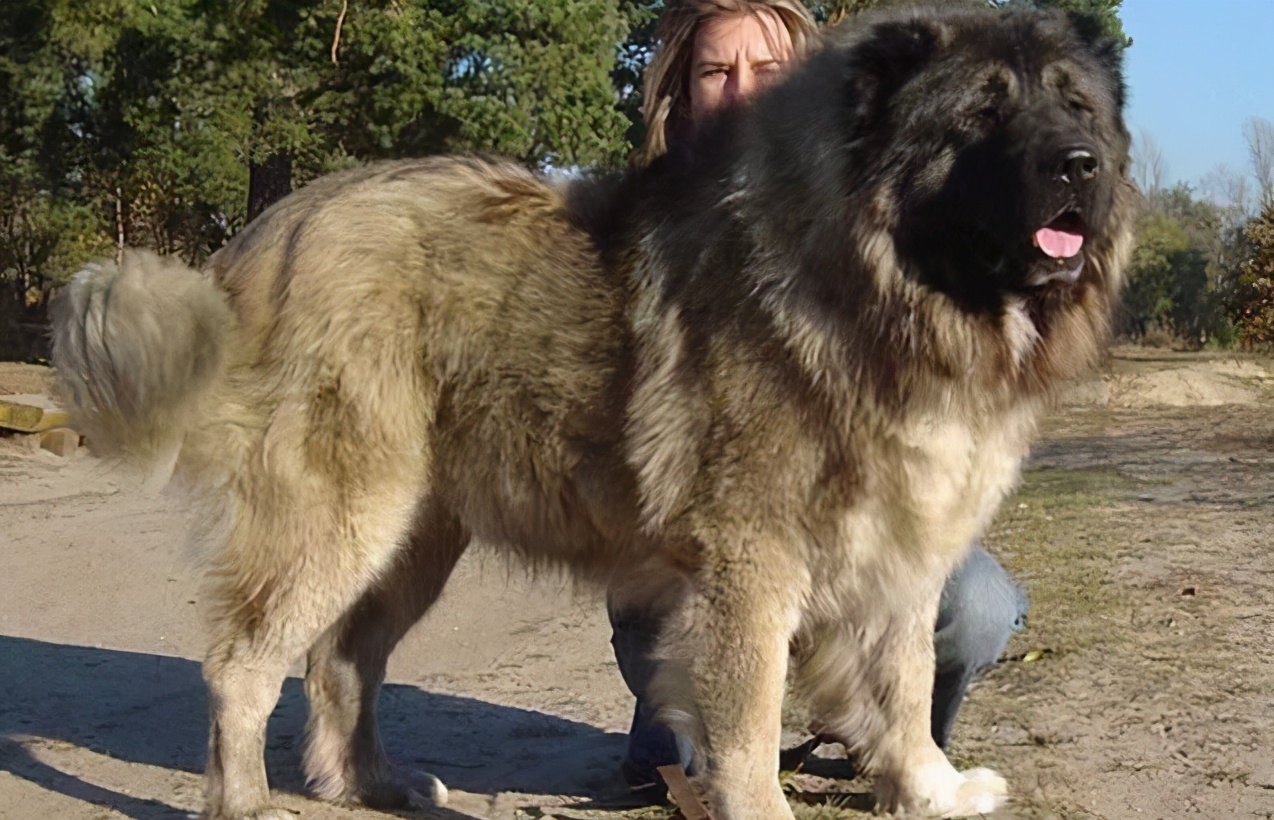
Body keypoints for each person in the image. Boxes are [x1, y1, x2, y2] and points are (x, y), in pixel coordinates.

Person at [606, 0, 1030, 798]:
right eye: (715, 71)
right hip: (699, 566)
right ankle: (696, 723)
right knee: (689, 759)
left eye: (767, 70)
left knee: (975, 603)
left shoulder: (873, 213)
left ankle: (900, 747)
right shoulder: (633, 235)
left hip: (845, 540)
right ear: (681, 93)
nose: (742, 92)